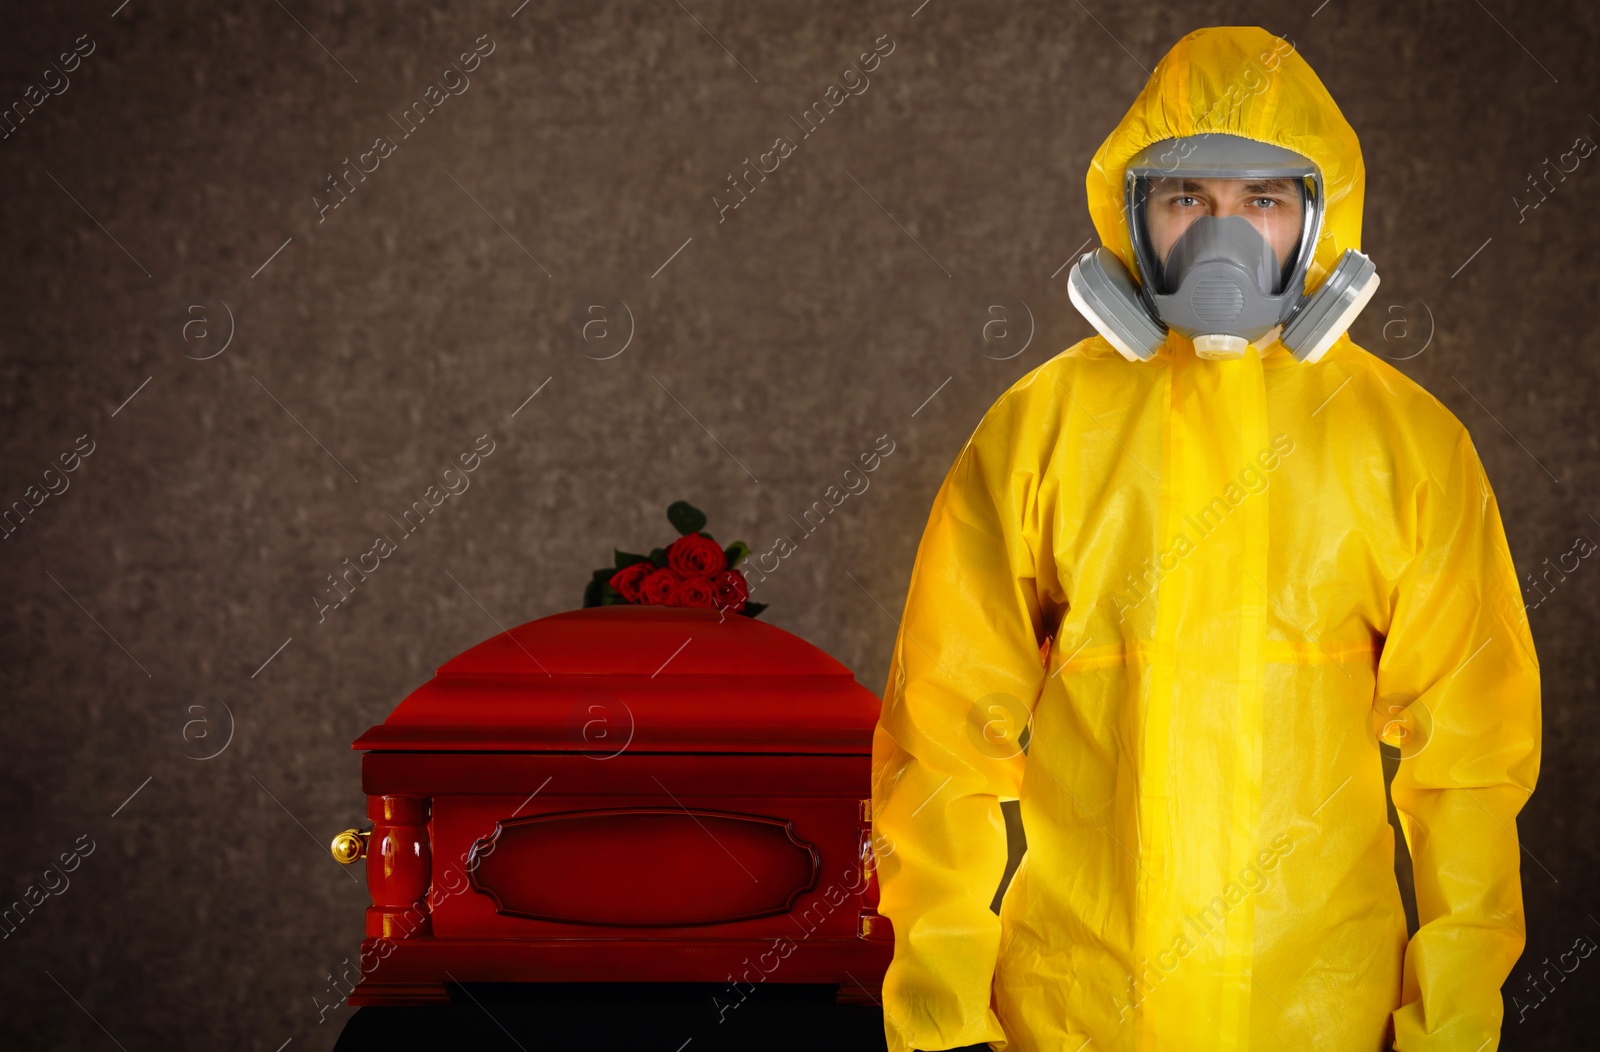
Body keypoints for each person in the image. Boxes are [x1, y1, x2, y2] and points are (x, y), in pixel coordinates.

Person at [869, 25, 1541, 1052]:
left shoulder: (1405, 446)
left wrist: (1448, 1025)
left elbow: (1469, 771)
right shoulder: (1037, 433)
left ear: (1319, 220)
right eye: (1186, 199)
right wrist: (943, 1020)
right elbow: (942, 742)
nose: (1221, 237)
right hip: (1077, 1015)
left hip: (1324, 1014)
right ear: (1130, 215)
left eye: (1263, 200)